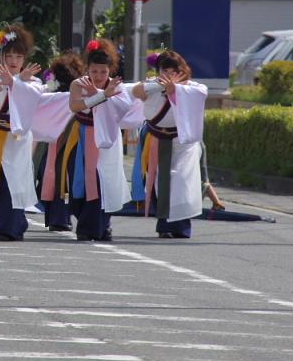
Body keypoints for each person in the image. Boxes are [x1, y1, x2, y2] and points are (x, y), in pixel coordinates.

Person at [131, 50, 208, 239]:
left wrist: (177, 89)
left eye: (173, 71)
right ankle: (164, 225)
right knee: (160, 182)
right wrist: (158, 86)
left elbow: (202, 92)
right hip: (157, 139)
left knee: (181, 180)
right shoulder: (153, 86)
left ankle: (181, 227)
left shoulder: (192, 87)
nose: (169, 75)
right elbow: (135, 91)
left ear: (181, 71)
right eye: (164, 71)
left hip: (183, 142)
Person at [68, 40, 133, 241]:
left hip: (106, 141)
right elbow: (75, 107)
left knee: (104, 182)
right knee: (80, 183)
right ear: (87, 69)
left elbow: (123, 109)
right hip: (81, 137)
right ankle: (92, 224)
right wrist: (101, 95)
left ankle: (96, 227)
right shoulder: (78, 84)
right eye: (94, 71)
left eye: (103, 72)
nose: (98, 76)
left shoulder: (117, 87)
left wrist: (104, 95)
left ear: (110, 70)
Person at [0, 24, 43, 241]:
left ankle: (11, 225)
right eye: (9, 55)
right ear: (1, 56)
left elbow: (36, 96)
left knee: (15, 180)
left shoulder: (33, 81)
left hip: (17, 138)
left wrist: (16, 83)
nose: (13, 60)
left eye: (18, 55)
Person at [35, 52, 83, 232]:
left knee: (52, 175)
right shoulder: (76, 93)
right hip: (73, 137)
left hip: (51, 140)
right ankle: (63, 216)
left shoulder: (51, 94)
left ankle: (57, 217)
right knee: (67, 175)